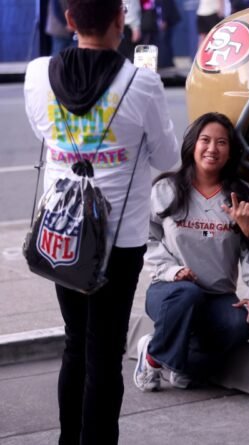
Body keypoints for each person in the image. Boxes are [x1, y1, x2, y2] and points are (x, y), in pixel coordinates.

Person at [23, 0, 180, 443]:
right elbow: (167, 157)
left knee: (75, 341)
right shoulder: (141, 82)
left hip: (62, 231)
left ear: (69, 20)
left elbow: (43, 132)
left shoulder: (38, 73)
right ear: (120, 19)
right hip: (119, 241)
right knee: (106, 352)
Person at [134, 112, 249, 391]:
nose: (212, 148)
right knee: (188, 294)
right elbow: (145, 239)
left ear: (231, 151)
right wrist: (173, 271)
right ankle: (152, 356)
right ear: (192, 144)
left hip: (218, 295)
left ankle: (183, 363)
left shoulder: (243, 196)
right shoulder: (166, 189)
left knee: (240, 325)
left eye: (221, 142)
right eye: (205, 140)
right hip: (170, 292)